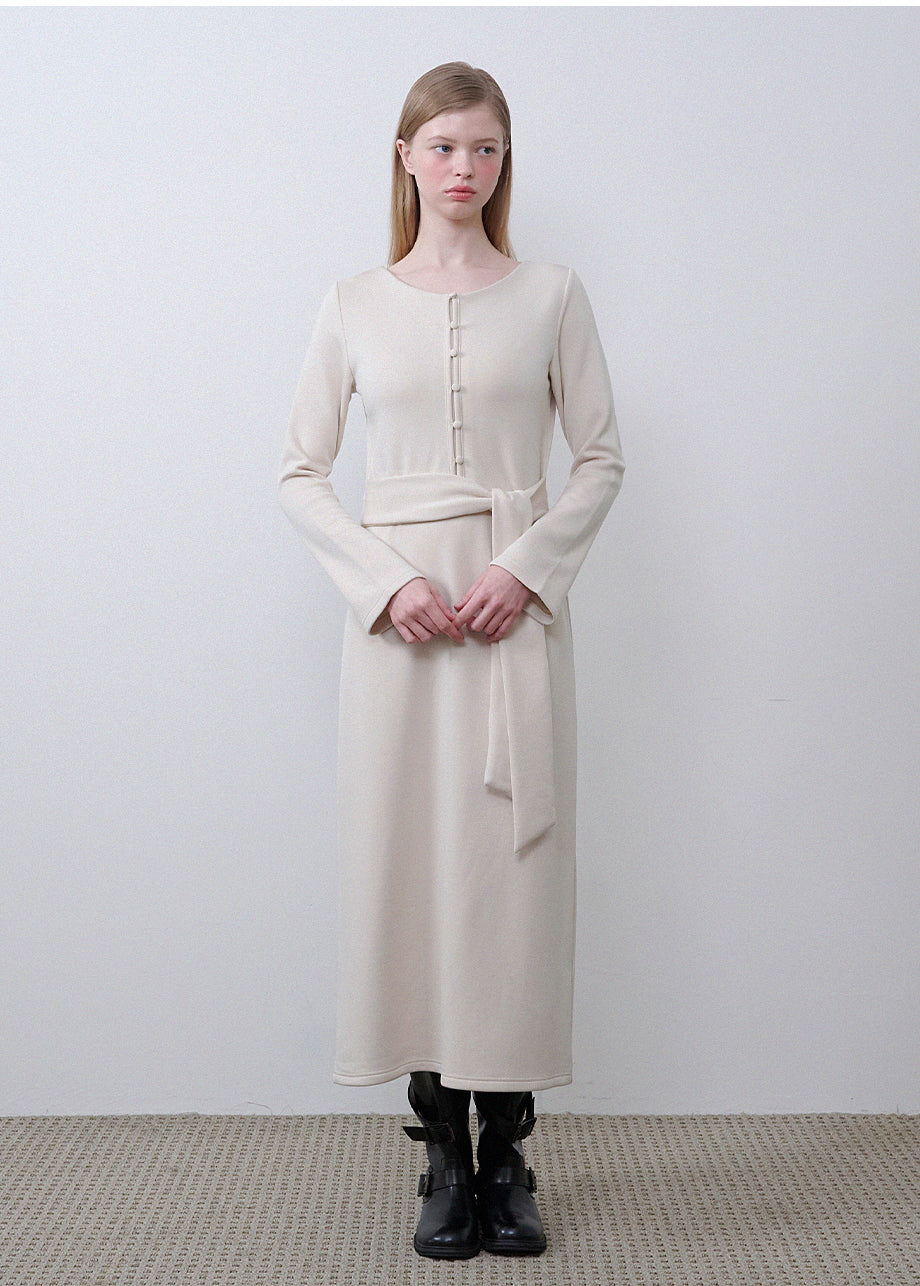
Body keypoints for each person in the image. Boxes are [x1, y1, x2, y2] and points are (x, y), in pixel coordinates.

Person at [279, 61, 625, 1259]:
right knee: (411, 870)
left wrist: (525, 567)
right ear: (405, 157)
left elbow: (599, 457)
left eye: (482, 147)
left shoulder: (552, 294)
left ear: (502, 160)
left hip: (512, 618)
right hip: (402, 636)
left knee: (510, 880)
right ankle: (438, 1147)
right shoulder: (352, 302)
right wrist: (387, 582)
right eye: (441, 146)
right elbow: (298, 472)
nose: (462, 168)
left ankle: (507, 1149)